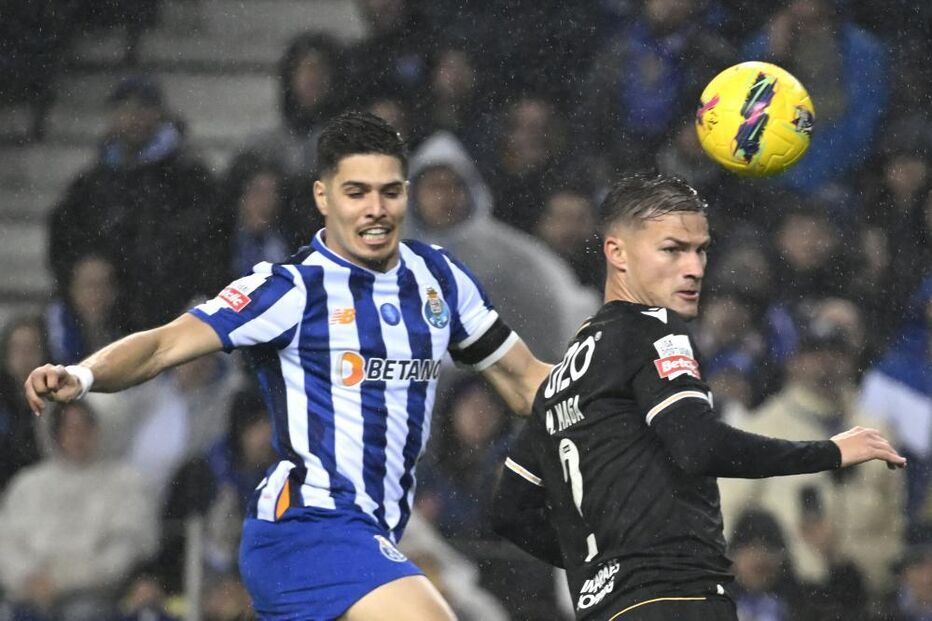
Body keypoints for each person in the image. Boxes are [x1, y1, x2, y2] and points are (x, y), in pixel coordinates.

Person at [24, 111, 551, 621]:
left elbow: (527, 381)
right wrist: (85, 375)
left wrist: (622, 387)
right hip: (304, 529)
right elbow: (163, 345)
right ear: (323, 196)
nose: (376, 209)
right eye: (356, 192)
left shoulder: (438, 279)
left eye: (390, 191)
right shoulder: (290, 290)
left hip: (377, 530)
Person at [490, 172, 906, 621]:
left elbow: (510, 510)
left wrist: (606, 569)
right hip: (679, 599)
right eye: (672, 249)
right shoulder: (653, 328)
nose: (694, 268)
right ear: (617, 252)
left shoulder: (566, 374)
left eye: (700, 250)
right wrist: (828, 452)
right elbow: (698, 445)